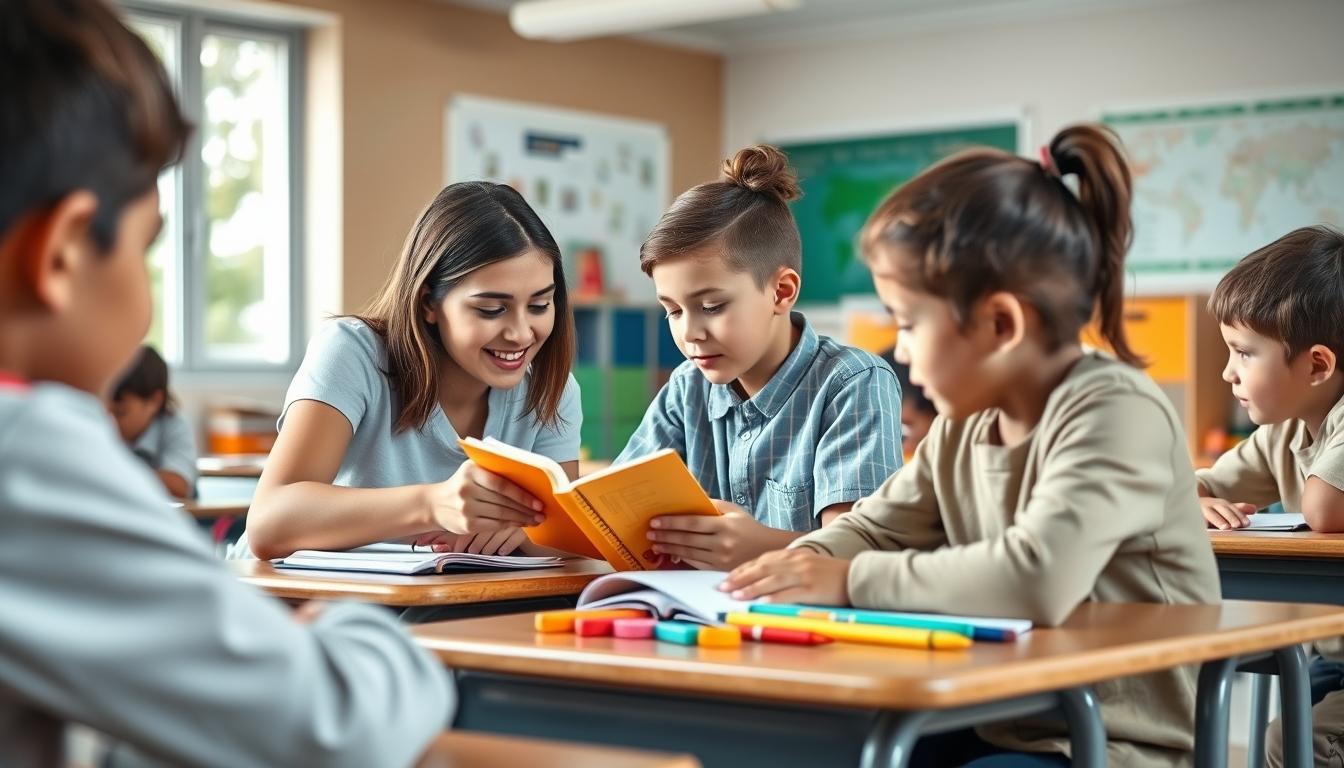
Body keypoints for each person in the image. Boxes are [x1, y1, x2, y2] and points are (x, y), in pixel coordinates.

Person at [0, 1, 450, 764]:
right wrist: (351, 629)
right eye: (145, 250)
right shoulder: (26, 451)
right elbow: (332, 727)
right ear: (66, 254)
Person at [723, 125, 1221, 767]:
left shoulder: (1115, 410)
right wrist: (781, 573)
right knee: (805, 747)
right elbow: (875, 528)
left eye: (908, 322)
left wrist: (846, 580)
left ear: (1000, 324)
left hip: (1113, 741)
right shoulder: (963, 426)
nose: (899, 350)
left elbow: (1036, 576)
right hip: (999, 712)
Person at [242, 181, 581, 560]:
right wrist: (432, 504)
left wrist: (521, 531)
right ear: (428, 303)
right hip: (294, 602)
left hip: (444, 603)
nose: (520, 334)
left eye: (539, 306)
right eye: (490, 309)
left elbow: (565, 545)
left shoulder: (552, 388)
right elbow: (268, 523)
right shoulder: (353, 352)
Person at [619, 145, 903, 571]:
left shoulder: (853, 382)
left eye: (712, 306)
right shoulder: (686, 387)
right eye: (673, 311)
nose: (689, 332)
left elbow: (860, 556)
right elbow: (617, 506)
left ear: (781, 292)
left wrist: (764, 548)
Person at [1190, 225, 1344, 767]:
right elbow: (1195, 482)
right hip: (1336, 651)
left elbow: (1325, 510)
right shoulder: (1283, 432)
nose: (1227, 372)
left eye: (1244, 353)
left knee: (1294, 740)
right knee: (1290, 705)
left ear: (1318, 365)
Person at [108, 345, 198, 498]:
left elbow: (178, 484)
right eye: (105, 410)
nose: (110, 420)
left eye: (120, 413)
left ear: (155, 401)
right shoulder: (101, 424)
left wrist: (111, 475)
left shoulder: (174, 425)